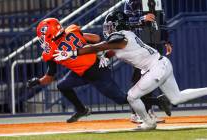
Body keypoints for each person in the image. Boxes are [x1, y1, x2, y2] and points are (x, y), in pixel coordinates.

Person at [53, 11, 207, 130]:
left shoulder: (120, 38)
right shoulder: (124, 35)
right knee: (176, 98)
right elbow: (113, 48)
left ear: (117, 25)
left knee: (132, 96)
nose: (108, 28)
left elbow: (98, 46)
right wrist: (105, 56)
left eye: (111, 25)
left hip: (156, 68)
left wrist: (73, 52)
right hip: (161, 64)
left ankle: (149, 122)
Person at [27, 17, 130, 123]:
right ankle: (81, 110)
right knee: (62, 85)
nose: (42, 39)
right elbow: (96, 38)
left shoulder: (50, 52)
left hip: (97, 72)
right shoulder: (72, 30)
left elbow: (49, 78)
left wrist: (38, 81)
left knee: (121, 99)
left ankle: (144, 102)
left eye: (43, 36)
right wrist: (98, 51)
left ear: (50, 33)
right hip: (82, 72)